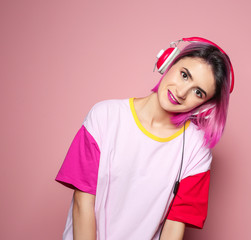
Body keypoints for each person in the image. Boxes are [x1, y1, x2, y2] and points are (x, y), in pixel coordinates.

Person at [55, 37, 235, 240]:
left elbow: (175, 226)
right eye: (184, 75)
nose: (182, 92)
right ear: (169, 62)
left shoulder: (196, 149)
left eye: (198, 92)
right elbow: (82, 202)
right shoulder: (104, 116)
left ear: (206, 105)